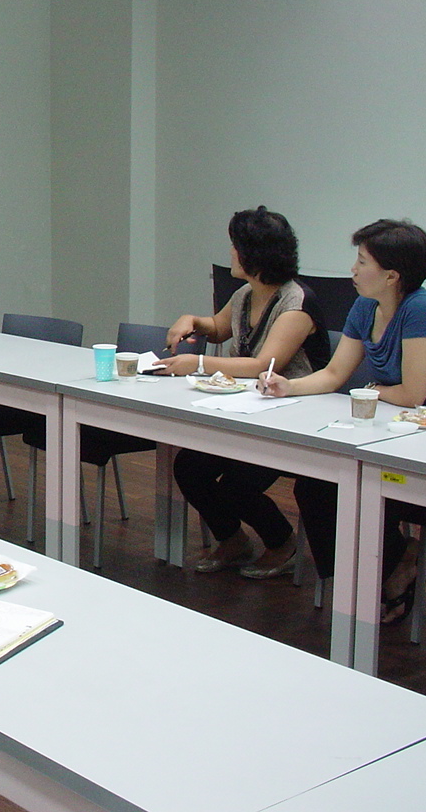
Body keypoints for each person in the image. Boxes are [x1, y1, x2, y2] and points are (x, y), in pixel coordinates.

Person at [259, 219, 426, 623]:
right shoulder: (364, 306)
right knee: (315, 487)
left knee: (354, 491)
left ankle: (389, 571)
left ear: (392, 276)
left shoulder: (422, 308)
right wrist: (290, 386)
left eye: (361, 262)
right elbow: (335, 374)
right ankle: (356, 582)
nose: (352, 270)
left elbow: (414, 394)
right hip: (390, 430)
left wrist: (370, 389)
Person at [154, 207, 330, 578]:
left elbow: (265, 365)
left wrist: (199, 363)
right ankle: (233, 541)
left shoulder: (297, 303)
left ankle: (281, 542)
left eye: (235, 246)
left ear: (254, 253)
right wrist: (192, 321)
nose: (231, 253)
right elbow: (218, 328)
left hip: (294, 415)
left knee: (237, 485)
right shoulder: (247, 293)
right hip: (248, 410)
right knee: (189, 467)